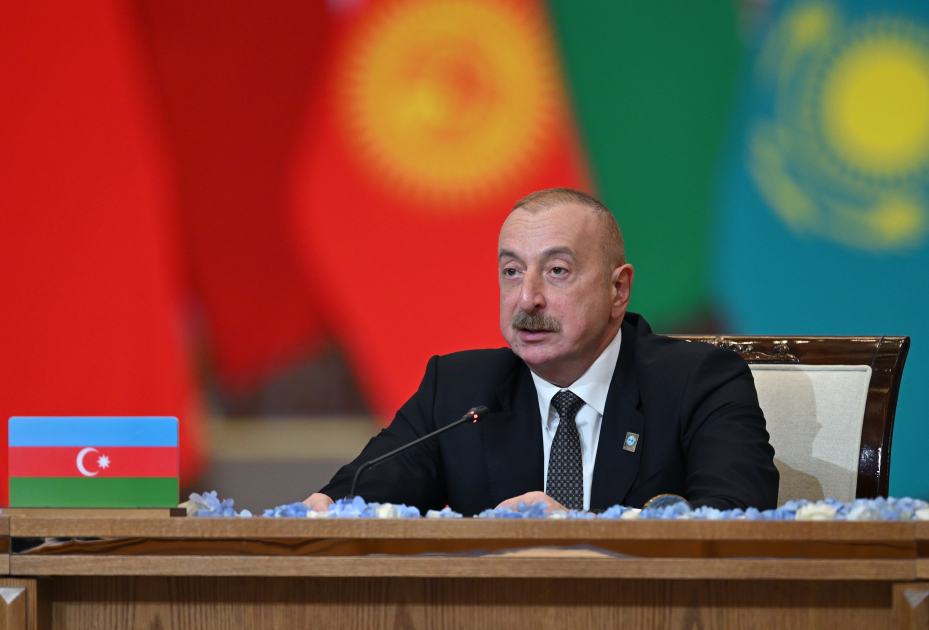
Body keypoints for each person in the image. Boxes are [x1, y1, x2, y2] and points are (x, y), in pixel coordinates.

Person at [305, 188, 778, 515]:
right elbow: (356, 501)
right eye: (512, 272)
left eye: (556, 271)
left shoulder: (700, 382)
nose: (527, 298)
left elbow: (736, 517)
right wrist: (328, 509)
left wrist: (578, 536)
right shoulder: (456, 392)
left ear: (618, 290)